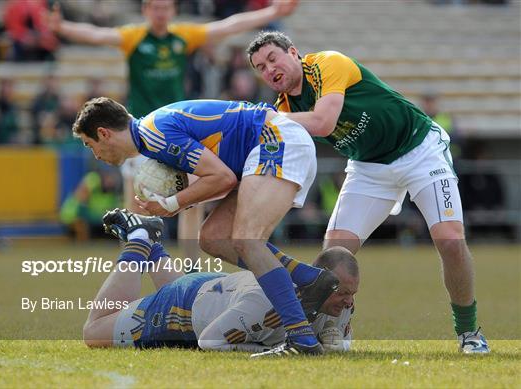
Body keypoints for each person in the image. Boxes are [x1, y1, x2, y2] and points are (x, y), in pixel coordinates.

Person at [245, 31, 489, 354]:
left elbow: (323, 122)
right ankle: (334, 329)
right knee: (333, 256)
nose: (269, 69)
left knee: (450, 240)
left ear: (293, 52)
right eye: (260, 67)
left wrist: (265, 120)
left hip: (419, 148)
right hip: (368, 166)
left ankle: (469, 332)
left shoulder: (326, 65)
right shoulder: (285, 108)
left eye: (273, 58)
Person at [72, 96, 339, 357]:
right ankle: (309, 278)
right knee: (212, 237)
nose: (95, 155)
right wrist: (177, 202)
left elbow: (221, 178)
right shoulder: (151, 134)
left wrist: (172, 203)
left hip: (274, 140)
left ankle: (301, 338)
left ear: (103, 133)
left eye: (89, 144)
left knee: (248, 241)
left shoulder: (154, 133)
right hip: (264, 147)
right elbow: (221, 175)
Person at [47, 0, 298, 262]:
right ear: (145, 11)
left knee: (192, 204)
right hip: (137, 136)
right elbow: (97, 35)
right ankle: (134, 267)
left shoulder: (183, 36)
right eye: (155, 7)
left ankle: (190, 270)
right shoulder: (134, 37)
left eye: (165, 7)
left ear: (173, 11)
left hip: (178, 134)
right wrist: (62, 26)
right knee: (137, 207)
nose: (160, 12)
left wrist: (273, 12)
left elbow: (226, 26)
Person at [84, 208, 358, 354]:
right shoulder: (262, 304)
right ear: (323, 280)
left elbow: (342, 341)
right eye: (342, 292)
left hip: (215, 291)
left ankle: (152, 243)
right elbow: (209, 341)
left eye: (351, 293)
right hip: (182, 308)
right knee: (94, 331)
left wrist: (338, 346)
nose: (347, 301)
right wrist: (278, 346)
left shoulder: (339, 301)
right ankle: (140, 239)